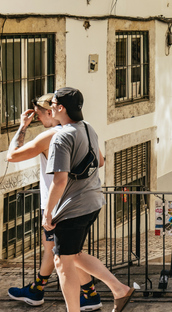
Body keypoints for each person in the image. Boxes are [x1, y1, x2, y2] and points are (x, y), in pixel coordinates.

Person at [6, 94, 103, 310]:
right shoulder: (83, 128)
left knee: (61, 255)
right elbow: (101, 160)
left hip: (57, 203)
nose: (38, 119)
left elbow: (12, 156)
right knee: (66, 253)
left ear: (52, 112)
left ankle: (44, 291)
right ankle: (88, 294)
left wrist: (22, 126)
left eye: (39, 115)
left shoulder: (51, 136)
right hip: (84, 200)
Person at [43, 87, 133, 312]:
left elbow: (60, 180)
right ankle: (119, 289)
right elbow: (100, 161)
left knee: (62, 263)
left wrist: (48, 211)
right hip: (93, 202)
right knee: (73, 256)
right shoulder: (88, 127)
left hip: (73, 207)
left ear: (61, 107)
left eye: (52, 103)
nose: (50, 107)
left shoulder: (61, 136)